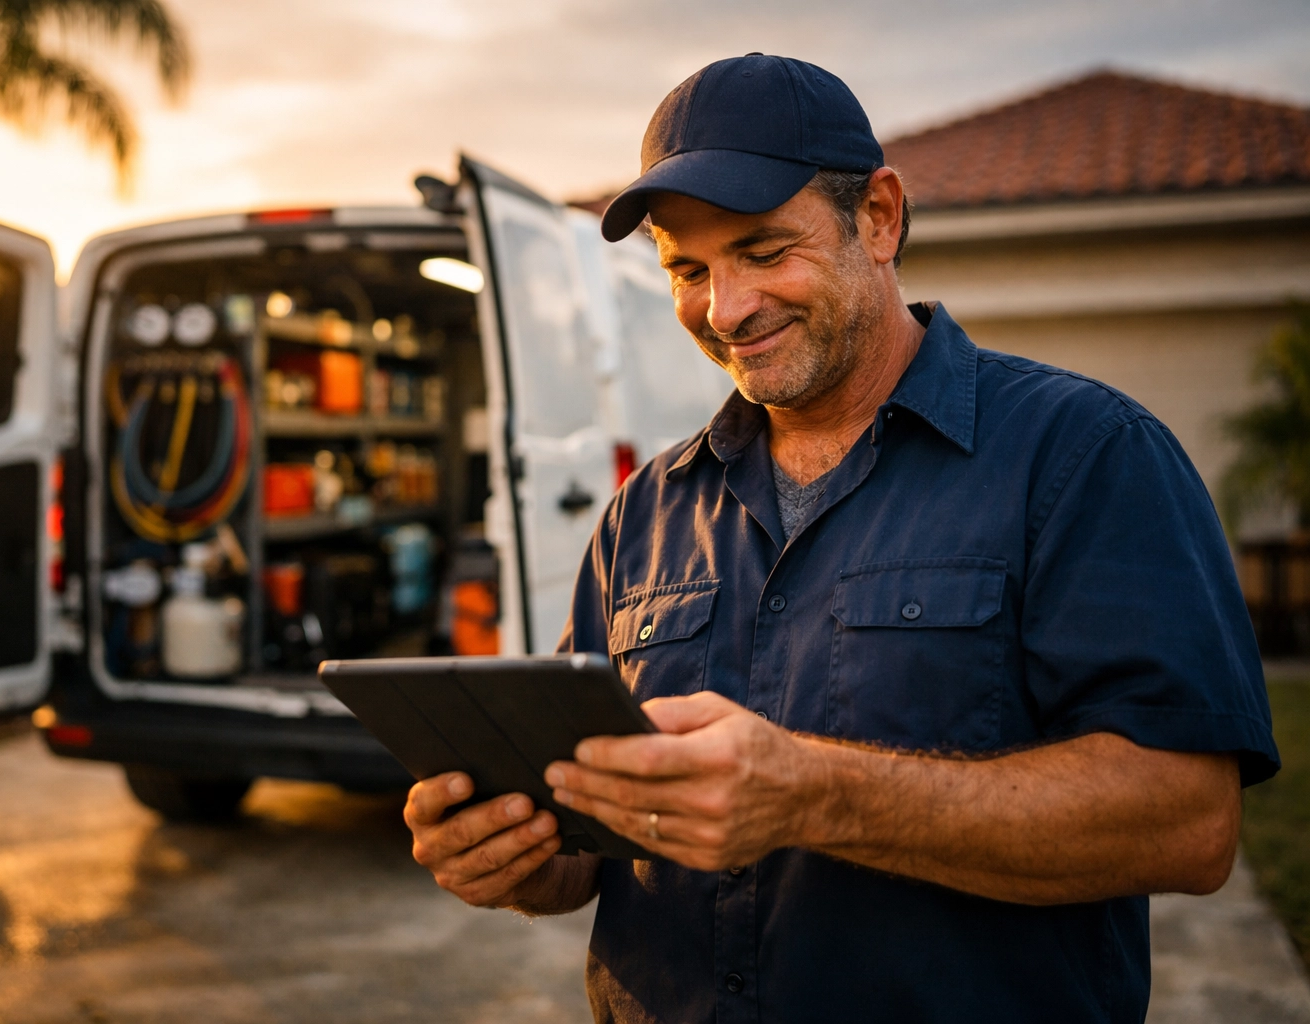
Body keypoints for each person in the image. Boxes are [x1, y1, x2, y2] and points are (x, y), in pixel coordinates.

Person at [404, 54, 1280, 1023]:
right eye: (688, 271)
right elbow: (594, 840)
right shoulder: (642, 513)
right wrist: (519, 854)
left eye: (766, 251)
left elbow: (1191, 821)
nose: (726, 309)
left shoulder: (1086, 458)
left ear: (880, 218)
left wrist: (816, 795)